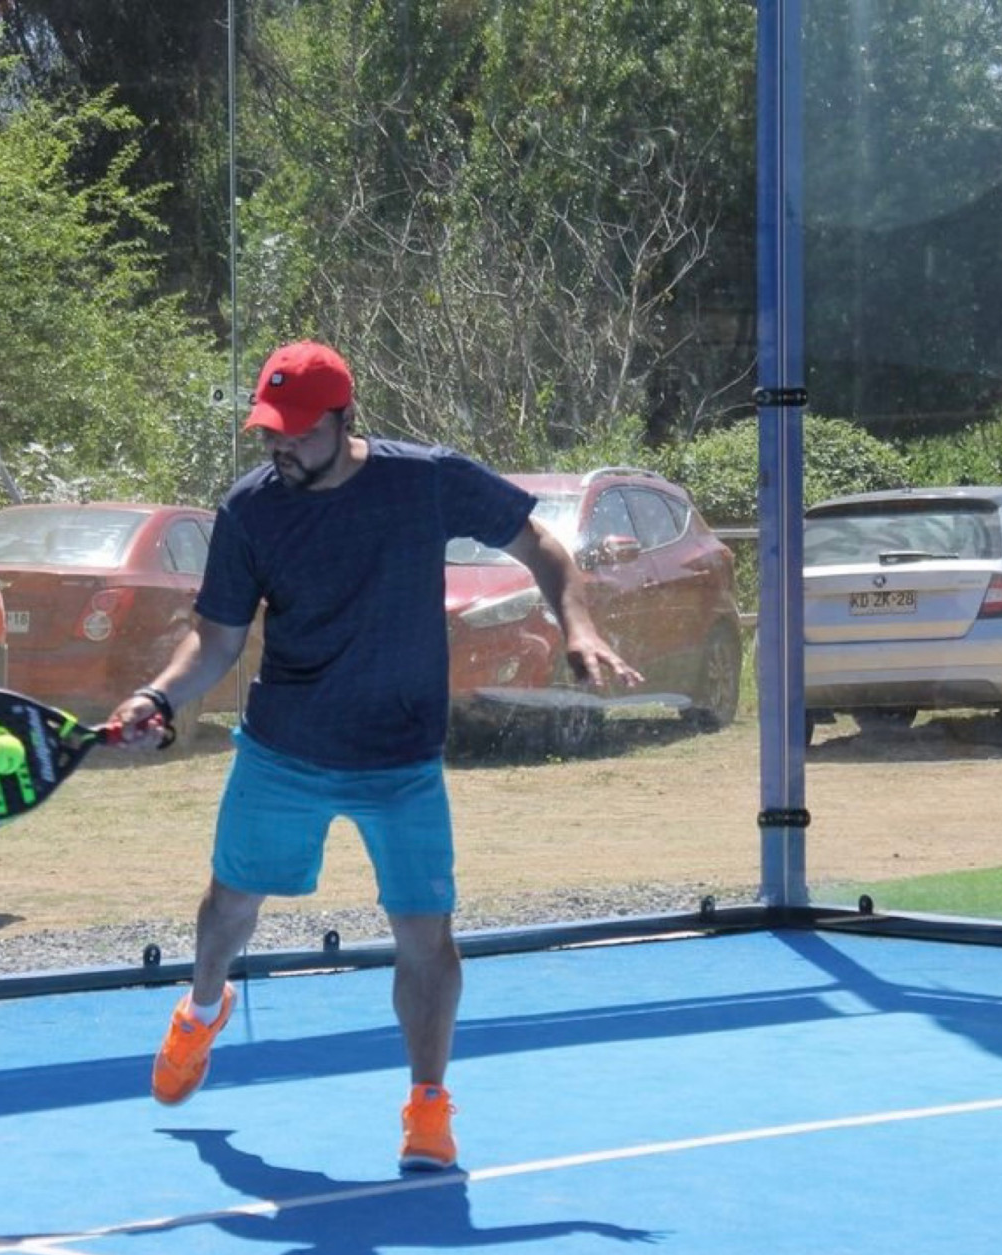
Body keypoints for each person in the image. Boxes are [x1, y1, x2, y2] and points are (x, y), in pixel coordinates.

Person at [106, 340, 641, 1171]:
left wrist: (579, 626)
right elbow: (215, 641)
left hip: (401, 758)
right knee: (229, 907)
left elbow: (539, 543)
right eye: (269, 430)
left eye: (297, 430)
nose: (281, 445)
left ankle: (427, 1106)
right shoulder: (249, 510)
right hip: (285, 749)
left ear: (344, 418)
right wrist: (158, 696)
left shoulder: (423, 479)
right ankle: (202, 1010)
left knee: (426, 934)